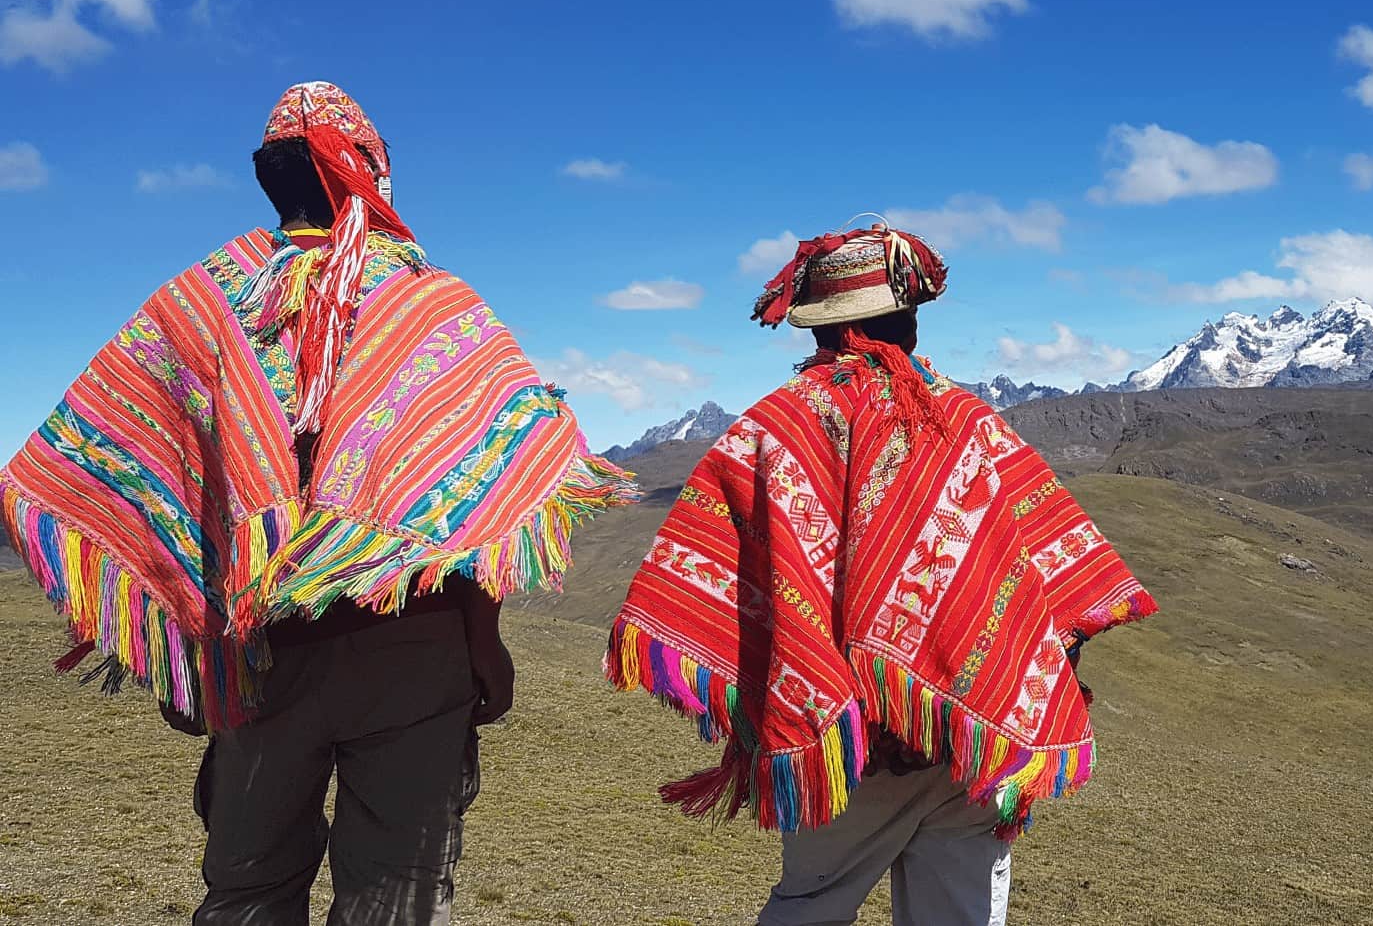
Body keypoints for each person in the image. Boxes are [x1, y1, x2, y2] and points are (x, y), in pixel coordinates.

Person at [0, 81, 639, 924]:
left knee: (248, 890)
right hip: (411, 651)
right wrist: (485, 641)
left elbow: (137, 472)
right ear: (366, 175)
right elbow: (477, 504)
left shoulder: (199, 300)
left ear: (274, 179)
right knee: (396, 898)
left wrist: (188, 640)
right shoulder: (431, 304)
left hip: (259, 653)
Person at [606, 223, 1157, 926]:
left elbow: (715, 585)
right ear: (910, 320)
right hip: (968, 748)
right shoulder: (974, 425)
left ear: (819, 327)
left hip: (843, 752)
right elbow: (1059, 578)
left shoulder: (770, 432)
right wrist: (1001, 677)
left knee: (808, 907)